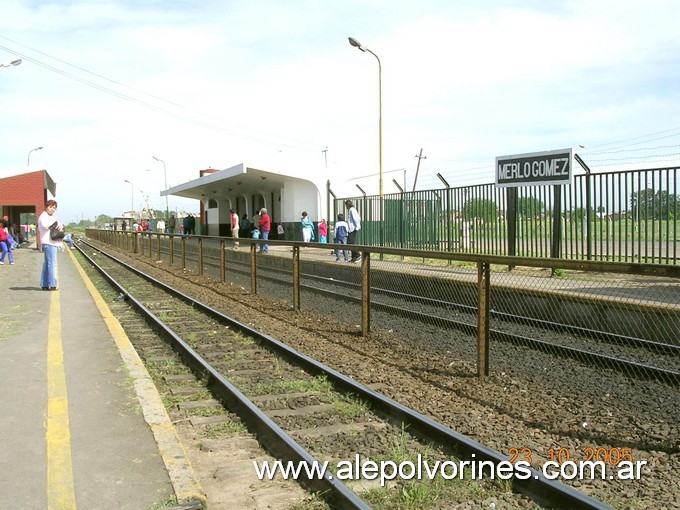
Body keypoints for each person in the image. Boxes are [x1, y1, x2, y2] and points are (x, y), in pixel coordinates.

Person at [37, 199, 63, 290]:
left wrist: (59, 224)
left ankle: (44, 284)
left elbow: (60, 225)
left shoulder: (52, 217)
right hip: (49, 243)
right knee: (52, 264)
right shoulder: (43, 216)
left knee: (47, 264)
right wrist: (56, 222)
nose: (52, 209)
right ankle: (52, 284)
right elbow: (45, 225)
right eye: (51, 207)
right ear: (46, 207)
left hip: (50, 242)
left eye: (54, 208)